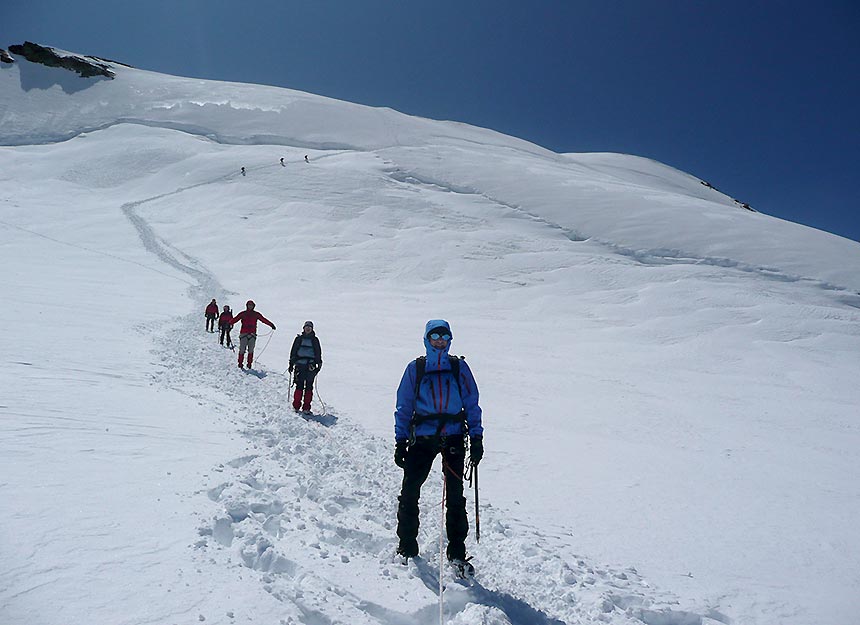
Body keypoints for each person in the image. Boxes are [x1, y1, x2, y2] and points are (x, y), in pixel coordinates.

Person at [393, 319, 483, 569]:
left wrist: (477, 437)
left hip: (454, 435)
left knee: (455, 496)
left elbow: (472, 403)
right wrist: (401, 440)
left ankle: (457, 553)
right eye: (435, 336)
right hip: (422, 437)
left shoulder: (459, 367)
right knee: (410, 492)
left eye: (444, 336)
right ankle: (407, 546)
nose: (440, 340)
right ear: (427, 339)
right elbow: (404, 406)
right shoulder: (416, 368)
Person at [229, 300, 276, 369]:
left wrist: (271, 324)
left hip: (252, 334)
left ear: (253, 306)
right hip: (244, 334)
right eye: (249, 305)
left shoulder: (256, 314)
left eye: (251, 305)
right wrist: (229, 323)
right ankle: (240, 364)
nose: (250, 306)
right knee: (242, 349)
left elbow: (263, 320)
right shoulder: (243, 313)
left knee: (251, 350)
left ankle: (249, 364)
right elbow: (235, 319)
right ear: (247, 306)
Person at [288, 321, 323, 413]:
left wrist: (318, 364)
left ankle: (306, 408)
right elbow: (293, 351)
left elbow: (318, 352)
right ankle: (296, 406)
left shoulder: (315, 340)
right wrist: (291, 363)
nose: (308, 329)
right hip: (300, 365)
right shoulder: (298, 339)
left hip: (310, 366)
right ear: (303, 328)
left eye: (309, 327)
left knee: (309, 386)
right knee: (299, 385)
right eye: (306, 327)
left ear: (312, 329)